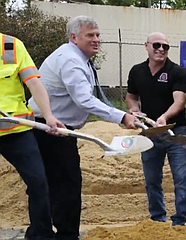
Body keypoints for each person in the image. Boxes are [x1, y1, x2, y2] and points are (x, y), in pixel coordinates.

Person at [27, 15, 137, 240]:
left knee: (49, 184)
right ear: (74, 37)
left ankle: (41, 234)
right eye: (90, 35)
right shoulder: (70, 60)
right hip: (51, 130)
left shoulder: (78, 58)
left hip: (57, 130)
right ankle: (62, 235)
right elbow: (84, 100)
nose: (96, 39)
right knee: (65, 185)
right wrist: (121, 116)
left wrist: (126, 114)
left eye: (97, 35)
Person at [0, 32, 65, 240]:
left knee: (38, 183)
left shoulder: (9, 45)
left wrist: (48, 116)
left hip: (16, 130)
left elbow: (34, 83)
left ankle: (41, 235)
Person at [125, 32, 186, 226]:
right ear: (146, 46)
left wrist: (164, 117)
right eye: (156, 45)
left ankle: (180, 221)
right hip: (149, 132)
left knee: (181, 178)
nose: (161, 49)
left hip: (176, 131)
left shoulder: (177, 72)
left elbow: (179, 102)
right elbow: (131, 96)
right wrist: (134, 109)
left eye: (165, 46)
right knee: (152, 178)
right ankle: (158, 219)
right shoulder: (137, 71)